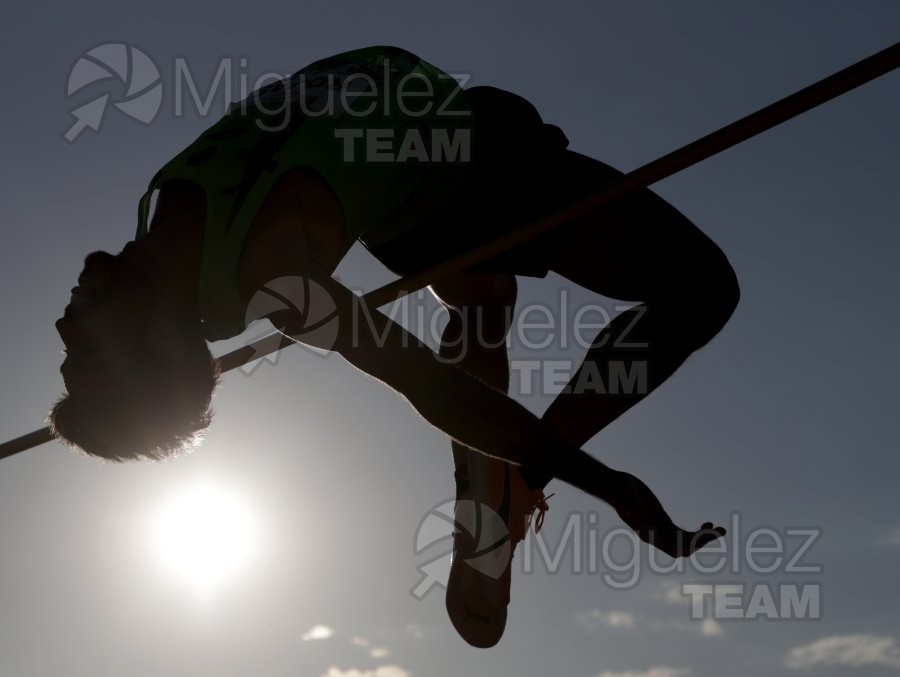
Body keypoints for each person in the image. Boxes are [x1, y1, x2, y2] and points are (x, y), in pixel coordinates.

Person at [49, 45, 739, 648]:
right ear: (161, 342)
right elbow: (428, 384)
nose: (62, 330)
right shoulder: (278, 275)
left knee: (485, 305)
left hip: (406, 190)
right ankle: (518, 479)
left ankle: (499, 486)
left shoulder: (160, 230)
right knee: (701, 288)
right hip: (476, 161)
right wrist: (607, 482)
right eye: (86, 355)